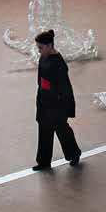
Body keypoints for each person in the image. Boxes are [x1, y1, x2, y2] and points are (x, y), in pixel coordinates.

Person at [32, 29, 82, 171]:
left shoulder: (59, 64)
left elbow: (65, 88)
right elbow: (40, 81)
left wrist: (65, 108)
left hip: (57, 104)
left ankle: (74, 154)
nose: (39, 51)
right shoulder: (43, 58)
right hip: (44, 101)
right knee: (44, 130)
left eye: (41, 48)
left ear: (49, 46)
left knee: (62, 130)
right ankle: (44, 162)